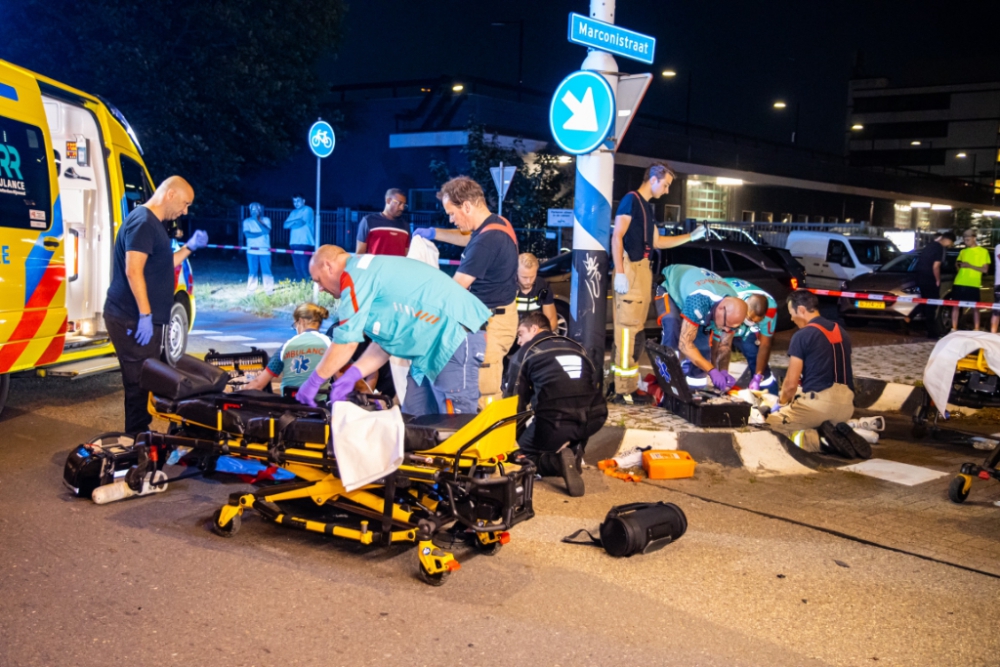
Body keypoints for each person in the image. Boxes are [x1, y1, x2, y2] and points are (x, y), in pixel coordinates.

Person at [296, 246, 490, 417]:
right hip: (429, 347)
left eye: (318, 280)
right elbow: (384, 344)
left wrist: (314, 382)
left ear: (328, 266)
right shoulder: (367, 273)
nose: (320, 288)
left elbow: (346, 342)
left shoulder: (355, 276)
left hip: (453, 337)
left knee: (454, 426)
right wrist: (354, 374)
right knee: (415, 419)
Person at [104, 176, 208, 435]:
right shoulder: (143, 223)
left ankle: (141, 438)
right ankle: (137, 441)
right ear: (170, 194)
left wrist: (190, 247)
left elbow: (162, 264)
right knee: (139, 383)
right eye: (185, 204)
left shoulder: (153, 224)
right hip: (131, 317)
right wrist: (145, 315)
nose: (185, 211)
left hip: (137, 317)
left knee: (147, 379)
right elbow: (133, 270)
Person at [413, 176, 519, 409]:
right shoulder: (496, 224)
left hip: (492, 324)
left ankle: (492, 442)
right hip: (493, 316)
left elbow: (455, 288)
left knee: (484, 392)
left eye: (452, 213)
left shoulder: (487, 241)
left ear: (467, 206)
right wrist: (434, 233)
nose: (451, 219)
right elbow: (468, 238)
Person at [610, 162, 706, 404]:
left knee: (634, 331)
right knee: (628, 331)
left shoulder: (645, 207)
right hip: (632, 268)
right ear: (653, 178)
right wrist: (620, 271)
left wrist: (690, 237)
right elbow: (617, 236)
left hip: (641, 269)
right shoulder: (631, 200)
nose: (666, 191)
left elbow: (657, 242)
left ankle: (624, 386)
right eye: (665, 185)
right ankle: (623, 390)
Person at [504, 312, 607, 497]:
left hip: (555, 420)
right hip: (594, 418)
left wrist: (513, 442)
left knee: (519, 458)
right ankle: (574, 452)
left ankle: (556, 462)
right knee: (576, 412)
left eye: (520, 334)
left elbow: (514, 403)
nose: (518, 341)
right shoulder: (577, 347)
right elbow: (594, 384)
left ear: (534, 329)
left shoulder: (526, 352)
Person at [767, 290, 857, 439]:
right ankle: (837, 434)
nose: (791, 318)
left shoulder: (802, 335)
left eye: (791, 313)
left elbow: (790, 385)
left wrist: (781, 406)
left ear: (801, 310)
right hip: (846, 407)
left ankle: (821, 442)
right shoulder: (841, 331)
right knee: (807, 417)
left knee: (769, 427)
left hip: (819, 407)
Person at [656, 265, 748, 391]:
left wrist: (723, 371)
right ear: (720, 309)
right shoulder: (699, 300)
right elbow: (685, 344)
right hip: (671, 289)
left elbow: (724, 345)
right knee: (672, 330)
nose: (727, 330)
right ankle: (666, 383)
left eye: (731, 328)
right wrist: (711, 370)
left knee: (703, 348)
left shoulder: (733, 310)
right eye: (726, 326)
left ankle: (695, 390)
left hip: (702, 299)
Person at [245, 303, 331, 396]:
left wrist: (235, 395)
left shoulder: (286, 346)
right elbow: (340, 379)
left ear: (301, 321)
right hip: (318, 408)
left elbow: (258, 385)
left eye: (295, 325)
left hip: (289, 408)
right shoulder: (331, 344)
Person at [724, 277, 779, 393]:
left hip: (740, 317)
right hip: (727, 315)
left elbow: (765, 344)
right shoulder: (728, 300)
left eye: (756, 321)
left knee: (754, 353)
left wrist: (758, 376)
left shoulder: (771, 309)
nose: (751, 322)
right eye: (749, 318)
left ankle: (771, 395)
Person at [913, 231, 955, 338]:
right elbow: (936, 266)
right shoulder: (940, 248)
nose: (950, 246)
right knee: (932, 304)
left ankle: (909, 317)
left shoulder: (929, 246)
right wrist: (937, 279)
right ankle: (932, 332)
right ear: (948, 240)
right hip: (930, 278)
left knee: (925, 301)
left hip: (920, 277)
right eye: (951, 243)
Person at [951, 229, 990, 332]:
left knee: (975, 307)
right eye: (965, 239)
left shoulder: (983, 251)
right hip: (959, 281)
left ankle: (976, 328)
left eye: (968, 239)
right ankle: (953, 328)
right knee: (955, 306)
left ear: (974, 238)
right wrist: (958, 265)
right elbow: (957, 265)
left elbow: (985, 269)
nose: (966, 241)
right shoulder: (963, 251)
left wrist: (970, 266)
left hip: (973, 283)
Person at [356, 189, 409, 256]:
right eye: (399, 203)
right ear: (388, 201)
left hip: (397, 266)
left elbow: (406, 255)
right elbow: (360, 254)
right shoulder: (368, 221)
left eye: (404, 205)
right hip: (375, 266)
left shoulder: (405, 226)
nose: (402, 208)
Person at [514, 253, 557, 330]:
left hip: (535, 335)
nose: (528, 281)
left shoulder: (542, 286)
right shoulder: (507, 287)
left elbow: (552, 321)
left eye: (532, 276)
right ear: (516, 273)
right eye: (524, 277)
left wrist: (538, 335)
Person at [243, 202, 273, 294]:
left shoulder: (266, 220)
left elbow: (267, 231)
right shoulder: (246, 221)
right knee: (252, 271)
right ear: (250, 210)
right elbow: (248, 235)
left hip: (265, 250)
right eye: (253, 209)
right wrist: (261, 233)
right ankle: (251, 291)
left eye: (257, 209)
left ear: (260, 210)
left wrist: (257, 220)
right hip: (251, 251)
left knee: (266, 271)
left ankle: (269, 291)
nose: (255, 210)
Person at [284, 193, 315, 280]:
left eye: (298, 201)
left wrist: (292, 223)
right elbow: (285, 225)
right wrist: (296, 221)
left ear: (303, 201)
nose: (296, 203)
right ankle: (301, 288)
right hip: (294, 243)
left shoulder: (308, 210)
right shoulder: (293, 212)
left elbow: (301, 223)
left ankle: (309, 288)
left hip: (305, 243)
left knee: (305, 269)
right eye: (294, 201)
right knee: (298, 269)